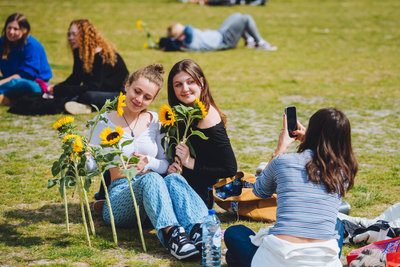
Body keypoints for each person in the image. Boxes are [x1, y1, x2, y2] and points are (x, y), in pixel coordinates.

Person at [88, 64, 208, 260]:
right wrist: (82, 159)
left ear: (152, 99)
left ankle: (199, 230)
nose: (139, 99)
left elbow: (164, 165)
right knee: (151, 179)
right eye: (137, 91)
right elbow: (92, 165)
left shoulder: (155, 122)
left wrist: (148, 162)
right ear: (127, 85)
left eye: (147, 97)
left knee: (172, 179)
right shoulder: (104, 120)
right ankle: (174, 237)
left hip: (154, 196)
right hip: (120, 198)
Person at [224, 108, 358, 267]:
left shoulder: (283, 162)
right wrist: (311, 142)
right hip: (322, 261)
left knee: (235, 233)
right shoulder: (343, 173)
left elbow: (259, 190)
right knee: (335, 223)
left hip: (277, 260)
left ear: (312, 131)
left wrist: (280, 148)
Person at [166, 59, 237, 208]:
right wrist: (173, 166)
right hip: (178, 182)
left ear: (202, 82)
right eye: (178, 84)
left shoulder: (208, 118)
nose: (185, 89)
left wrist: (190, 163)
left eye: (190, 82)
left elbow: (229, 168)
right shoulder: (180, 113)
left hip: (198, 194)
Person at [48, 18, 129, 114]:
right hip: (98, 91)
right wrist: (56, 88)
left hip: (117, 94)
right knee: (75, 94)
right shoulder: (79, 52)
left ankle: (82, 104)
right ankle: (82, 105)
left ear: (84, 36)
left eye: (74, 34)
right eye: (69, 34)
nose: (70, 38)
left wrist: (63, 90)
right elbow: (76, 78)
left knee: (87, 95)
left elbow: (95, 86)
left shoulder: (102, 55)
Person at [0, 13, 52, 105]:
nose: (11, 32)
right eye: (9, 28)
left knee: (20, 83)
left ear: (24, 30)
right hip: (9, 80)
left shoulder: (32, 46)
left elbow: (24, 75)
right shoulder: (2, 42)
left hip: (33, 84)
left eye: (15, 29)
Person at [167, 13, 277, 51]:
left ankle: (249, 40)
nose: (185, 28)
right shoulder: (188, 40)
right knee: (246, 18)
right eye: (183, 29)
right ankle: (260, 43)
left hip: (220, 33)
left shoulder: (186, 37)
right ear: (180, 36)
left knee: (237, 15)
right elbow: (189, 29)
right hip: (225, 40)